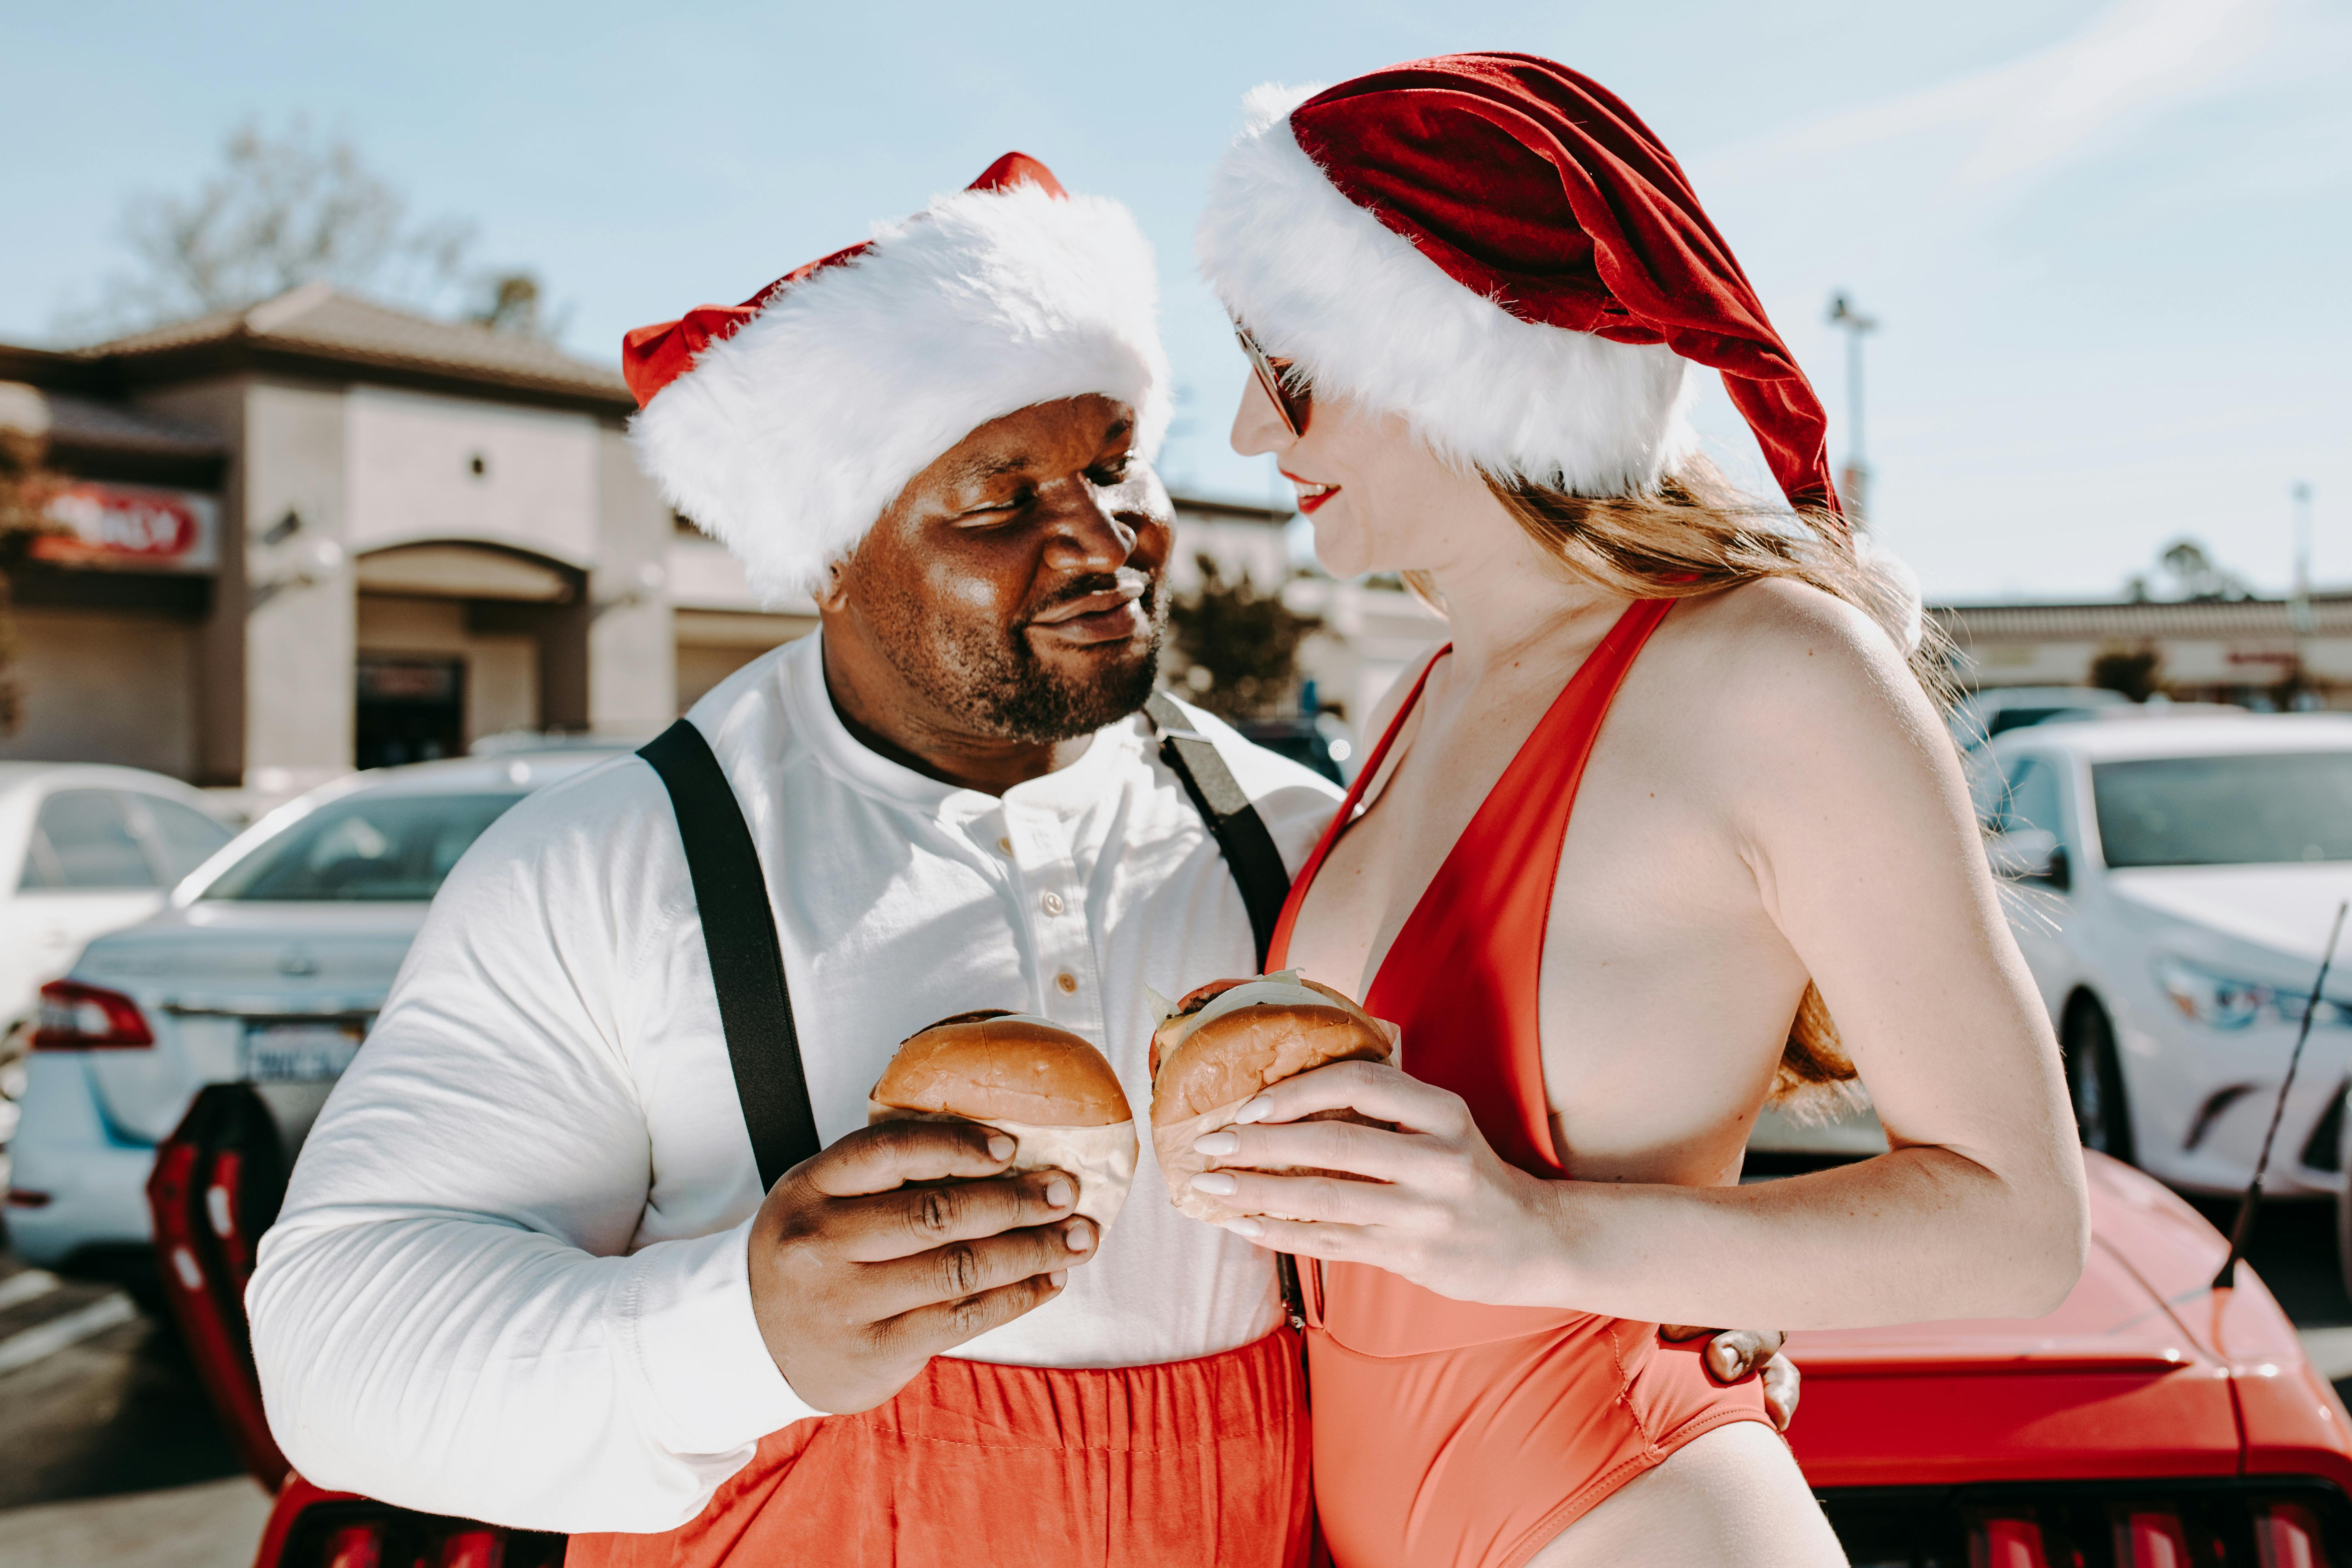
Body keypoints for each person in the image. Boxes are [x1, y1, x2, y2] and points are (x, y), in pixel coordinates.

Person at [243, 148, 1799, 1566]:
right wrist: (738, 1327)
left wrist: (1664, 1295)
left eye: (1116, 465)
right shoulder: (609, 869)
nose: (1105, 536)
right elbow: (332, 1354)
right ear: (834, 549)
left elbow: (1534, 1187)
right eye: (1003, 500)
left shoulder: (1303, 839)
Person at [1188, 55, 2091, 1568]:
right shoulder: (1431, 692)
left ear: (1455, 351)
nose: (1246, 436)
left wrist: (1548, 1239)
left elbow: (2020, 1224)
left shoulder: (1770, 669)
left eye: (1286, 371)